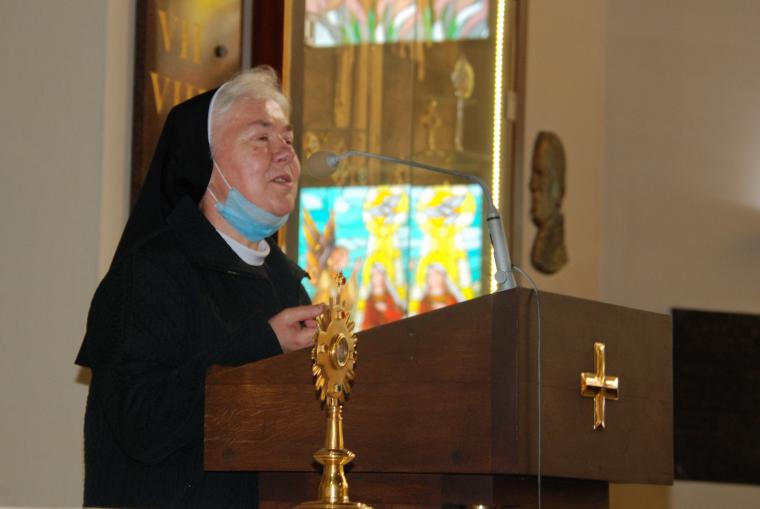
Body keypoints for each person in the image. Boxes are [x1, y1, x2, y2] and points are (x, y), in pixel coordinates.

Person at [75, 67, 322, 508]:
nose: (285, 153)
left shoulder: (287, 284)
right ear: (205, 165)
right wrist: (260, 345)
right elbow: (142, 425)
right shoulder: (149, 275)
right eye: (261, 138)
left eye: (287, 138)